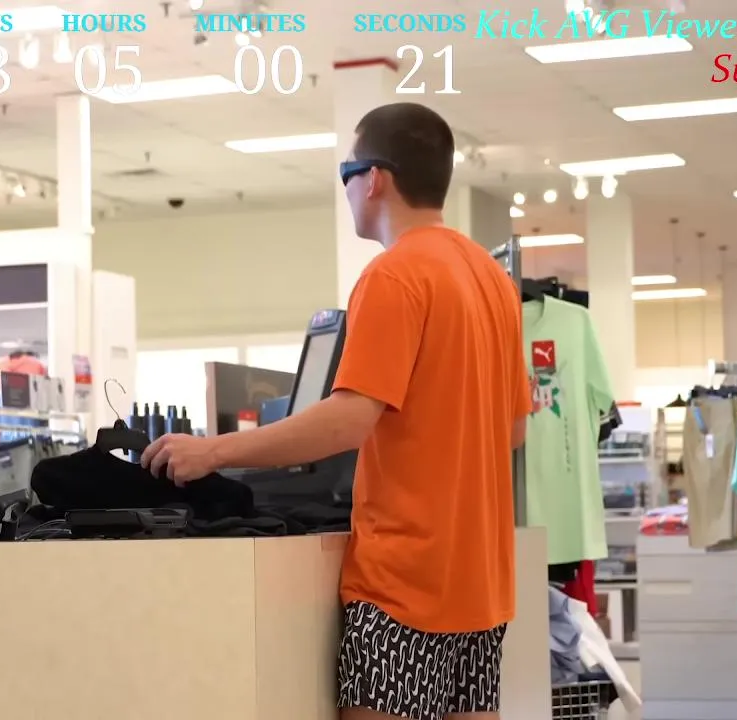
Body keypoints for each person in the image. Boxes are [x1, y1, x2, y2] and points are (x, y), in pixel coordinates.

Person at [140, 103, 530, 720]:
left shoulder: (395, 276)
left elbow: (348, 420)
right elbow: (513, 429)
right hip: (480, 586)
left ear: (373, 178)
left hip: (404, 588)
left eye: (346, 173)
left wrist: (213, 450)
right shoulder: (492, 279)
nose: (346, 189)